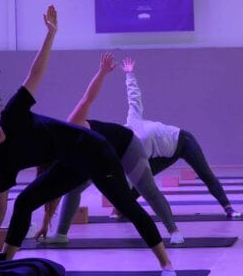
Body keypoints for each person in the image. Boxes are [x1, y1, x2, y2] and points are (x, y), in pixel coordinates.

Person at [0, 6, 177, 276]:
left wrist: (51, 34)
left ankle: (166, 263)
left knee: (125, 203)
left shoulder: (12, 115)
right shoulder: (3, 162)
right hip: (69, 164)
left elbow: (34, 74)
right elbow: (0, 205)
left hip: (93, 150)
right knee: (24, 202)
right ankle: (4, 262)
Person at [34, 53, 186, 246]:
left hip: (126, 146)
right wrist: (45, 225)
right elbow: (52, 192)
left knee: (147, 189)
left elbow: (87, 99)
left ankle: (174, 231)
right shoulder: (61, 160)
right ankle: (61, 234)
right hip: (99, 160)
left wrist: (102, 72)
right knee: (72, 190)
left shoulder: (70, 126)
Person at [121, 56, 240, 218]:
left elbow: (134, 97)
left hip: (183, 141)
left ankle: (228, 208)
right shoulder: (131, 150)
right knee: (140, 181)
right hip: (166, 155)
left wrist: (129, 74)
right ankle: (123, 210)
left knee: (206, 174)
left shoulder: (132, 122)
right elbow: (130, 175)